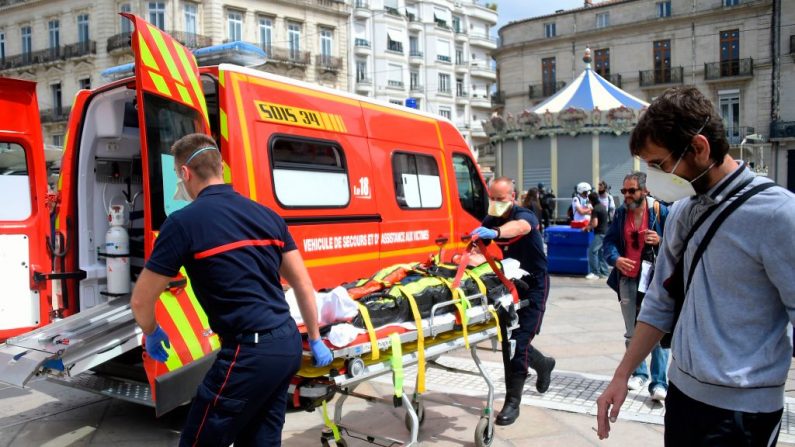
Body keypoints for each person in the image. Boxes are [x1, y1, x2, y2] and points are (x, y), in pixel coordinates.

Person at [596, 86, 795, 445]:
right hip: (683, 395)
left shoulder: (778, 214)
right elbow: (659, 302)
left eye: (658, 165)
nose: (653, 178)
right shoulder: (683, 211)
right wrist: (621, 375)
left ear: (699, 148)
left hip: (744, 411)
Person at [130, 133, 333, 447]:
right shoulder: (268, 216)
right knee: (262, 440)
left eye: (177, 177)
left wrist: (151, 330)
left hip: (247, 353)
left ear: (185, 173)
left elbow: (142, 299)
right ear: (220, 168)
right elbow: (303, 285)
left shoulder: (182, 224)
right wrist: (316, 339)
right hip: (287, 344)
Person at [471, 177, 556, 426]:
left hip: (534, 285)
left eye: (500, 199)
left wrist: (495, 233)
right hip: (510, 285)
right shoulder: (491, 218)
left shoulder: (524, 214)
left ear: (513, 196)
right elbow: (479, 246)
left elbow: (518, 228)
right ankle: (544, 364)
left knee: (517, 344)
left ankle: (512, 403)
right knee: (512, 342)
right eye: (492, 198)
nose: (495, 204)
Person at [602, 171, 670, 401]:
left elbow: (680, 242)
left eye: (632, 191)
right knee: (632, 331)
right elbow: (609, 242)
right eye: (624, 191)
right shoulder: (621, 214)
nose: (627, 195)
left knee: (658, 331)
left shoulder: (661, 211)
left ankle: (659, 382)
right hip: (628, 280)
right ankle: (639, 372)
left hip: (654, 281)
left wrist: (661, 241)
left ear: (645, 190)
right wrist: (616, 259)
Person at [584, 192, 609, 280]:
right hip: (606, 232)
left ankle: (595, 273)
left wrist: (587, 227)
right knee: (601, 254)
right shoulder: (602, 207)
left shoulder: (596, 209)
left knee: (592, 251)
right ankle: (605, 273)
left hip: (600, 233)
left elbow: (595, 223)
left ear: (590, 200)